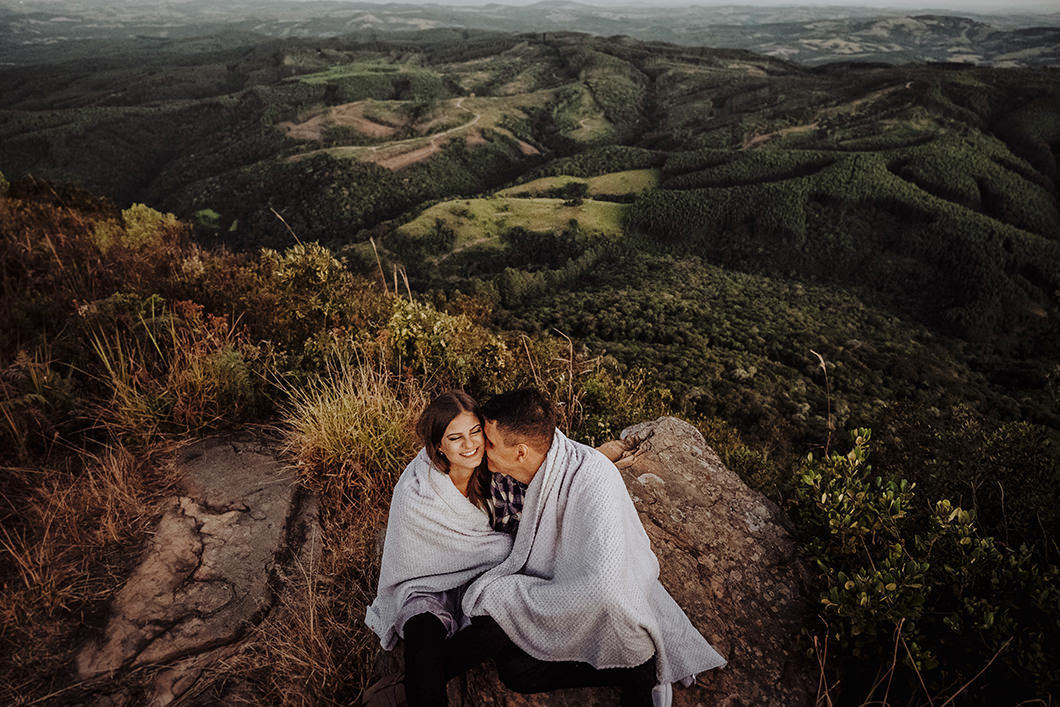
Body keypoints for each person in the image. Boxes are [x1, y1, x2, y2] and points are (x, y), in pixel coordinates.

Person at [462, 388, 727, 706]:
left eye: (489, 442)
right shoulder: (513, 471)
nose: (481, 448)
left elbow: (604, 589)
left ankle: (642, 669)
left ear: (520, 452)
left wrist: (516, 595)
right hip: (556, 586)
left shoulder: (592, 476)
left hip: (605, 607)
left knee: (500, 605)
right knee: (514, 671)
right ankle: (609, 669)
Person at [364, 391, 513, 706]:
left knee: (502, 627)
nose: (470, 444)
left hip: (483, 580)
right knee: (422, 631)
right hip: (427, 586)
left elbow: (542, 471)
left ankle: (405, 688)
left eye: (475, 432)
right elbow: (410, 556)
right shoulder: (417, 489)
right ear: (439, 446)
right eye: (455, 438)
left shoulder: (497, 470)